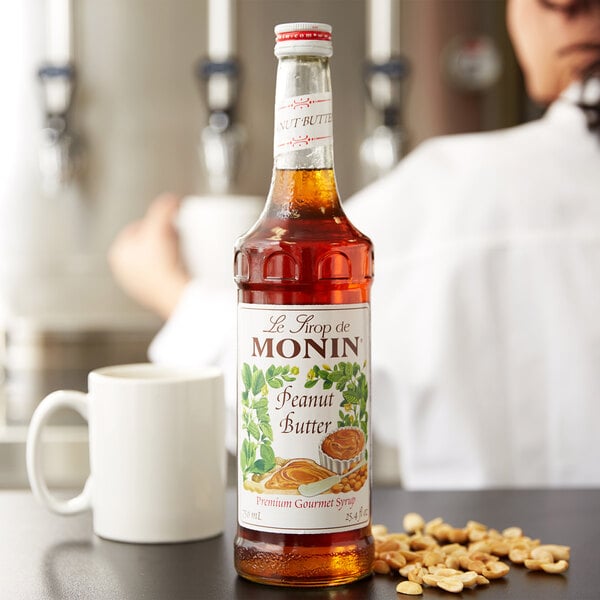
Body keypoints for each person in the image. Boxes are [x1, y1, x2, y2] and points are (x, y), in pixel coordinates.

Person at [109, 0, 600, 488]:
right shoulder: (450, 194)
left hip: (478, 541)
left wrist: (167, 289)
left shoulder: (452, 194)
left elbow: (276, 380)